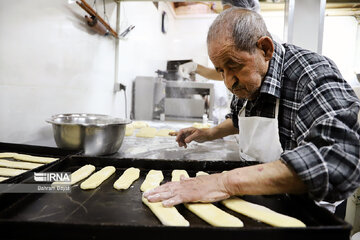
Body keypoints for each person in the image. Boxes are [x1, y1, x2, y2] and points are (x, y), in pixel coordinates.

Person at [144, 8, 360, 207]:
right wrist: (209, 133)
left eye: (234, 66)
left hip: (303, 209)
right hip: (254, 195)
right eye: (221, 71)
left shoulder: (311, 74)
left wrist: (225, 182)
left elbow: (339, 161)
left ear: (265, 49)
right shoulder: (247, 81)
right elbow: (239, 120)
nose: (229, 82)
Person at [178, 0, 261, 81]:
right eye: (223, 16)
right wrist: (195, 67)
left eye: (230, 17)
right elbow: (224, 74)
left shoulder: (259, 45)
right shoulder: (238, 41)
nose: (225, 23)